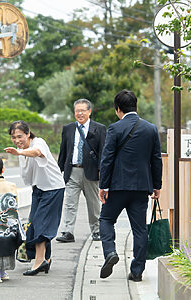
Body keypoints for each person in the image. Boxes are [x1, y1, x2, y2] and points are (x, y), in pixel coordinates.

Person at [97, 90, 162, 282]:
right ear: (136, 106)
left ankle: (110, 252)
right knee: (140, 229)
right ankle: (137, 271)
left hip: (117, 187)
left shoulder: (115, 128)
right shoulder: (151, 129)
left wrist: (104, 185)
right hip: (142, 187)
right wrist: (156, 185)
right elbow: (156, 159)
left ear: (118, 109)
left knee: (106, 220)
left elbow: (107, 159)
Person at [5, 121, 65, 276]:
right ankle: (47, 258)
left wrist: (19, 153)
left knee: (41, 223)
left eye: (20, 136)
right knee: (33, 223)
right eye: (13, 137)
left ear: (28, 133)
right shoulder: (21, 151)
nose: (17, 140)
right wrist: (20, 153)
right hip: (38, 189)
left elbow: (37, 152)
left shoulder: (38, 143)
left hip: (53, 188)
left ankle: (39, 261)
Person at [57, 99, 106, 243]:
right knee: (70, 203)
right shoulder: (68, 128)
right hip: (72, 171)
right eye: (77, 111)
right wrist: (59, 171)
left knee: (93, 204)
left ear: (89, 111)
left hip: (91, 172)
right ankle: (68, 231)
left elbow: (103, 151)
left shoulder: (99, 128)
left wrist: (101, 171)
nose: (79, 113)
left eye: (83, 111)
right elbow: (63, 151)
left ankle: (96, 231)